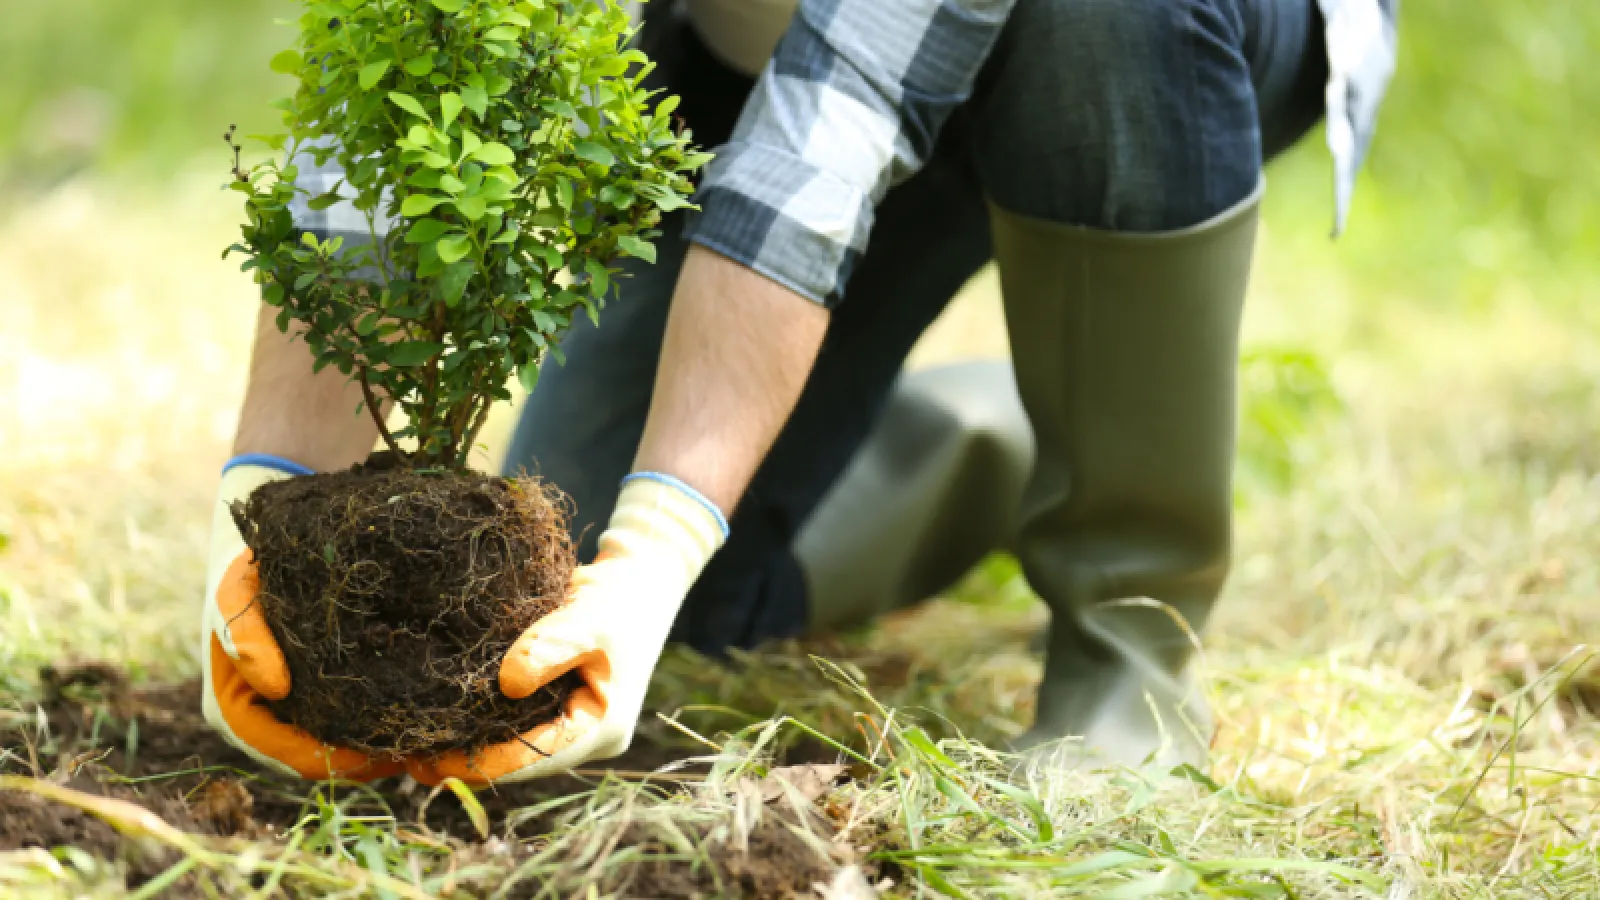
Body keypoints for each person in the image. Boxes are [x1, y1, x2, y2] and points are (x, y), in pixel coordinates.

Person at [201, 0, 1397, 783]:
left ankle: (1128, 636)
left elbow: (834, 119)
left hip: (1149, 47)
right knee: (599, 615)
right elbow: (430, 42)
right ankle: (999, 440)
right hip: (747, 36)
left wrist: (664, 536)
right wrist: (266, 502)